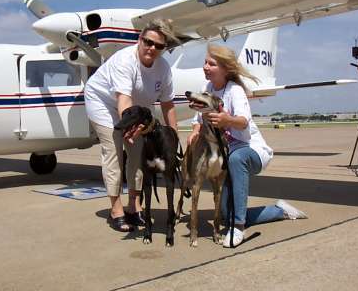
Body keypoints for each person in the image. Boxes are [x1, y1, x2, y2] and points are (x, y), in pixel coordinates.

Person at [187, 44, 307, 247]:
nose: (205, 67)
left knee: (236, 159)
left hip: (249, 150)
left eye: (212, 64)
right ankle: (279, 211)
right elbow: (199, 117)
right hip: (226, 153)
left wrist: (227, 120)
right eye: (205, 62)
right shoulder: (206, 89)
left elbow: (243, 121)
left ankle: (238, 227)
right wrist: (195, 131)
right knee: (225, 212)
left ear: (225, 69)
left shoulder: (235, 91)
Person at [85, 19, 179, 232]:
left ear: (164, 49)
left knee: (138, 154)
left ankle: (133, 206)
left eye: (159, 46)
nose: (152, 48)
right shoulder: (125, 61)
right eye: (148, 42)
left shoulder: (163, 69)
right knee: (115, 151)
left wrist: (173, 138)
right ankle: (116, 209)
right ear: (140, 40)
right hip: (104, 102)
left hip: (136, 108)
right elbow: (123, 100)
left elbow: (167, 105)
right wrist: (129, 129)